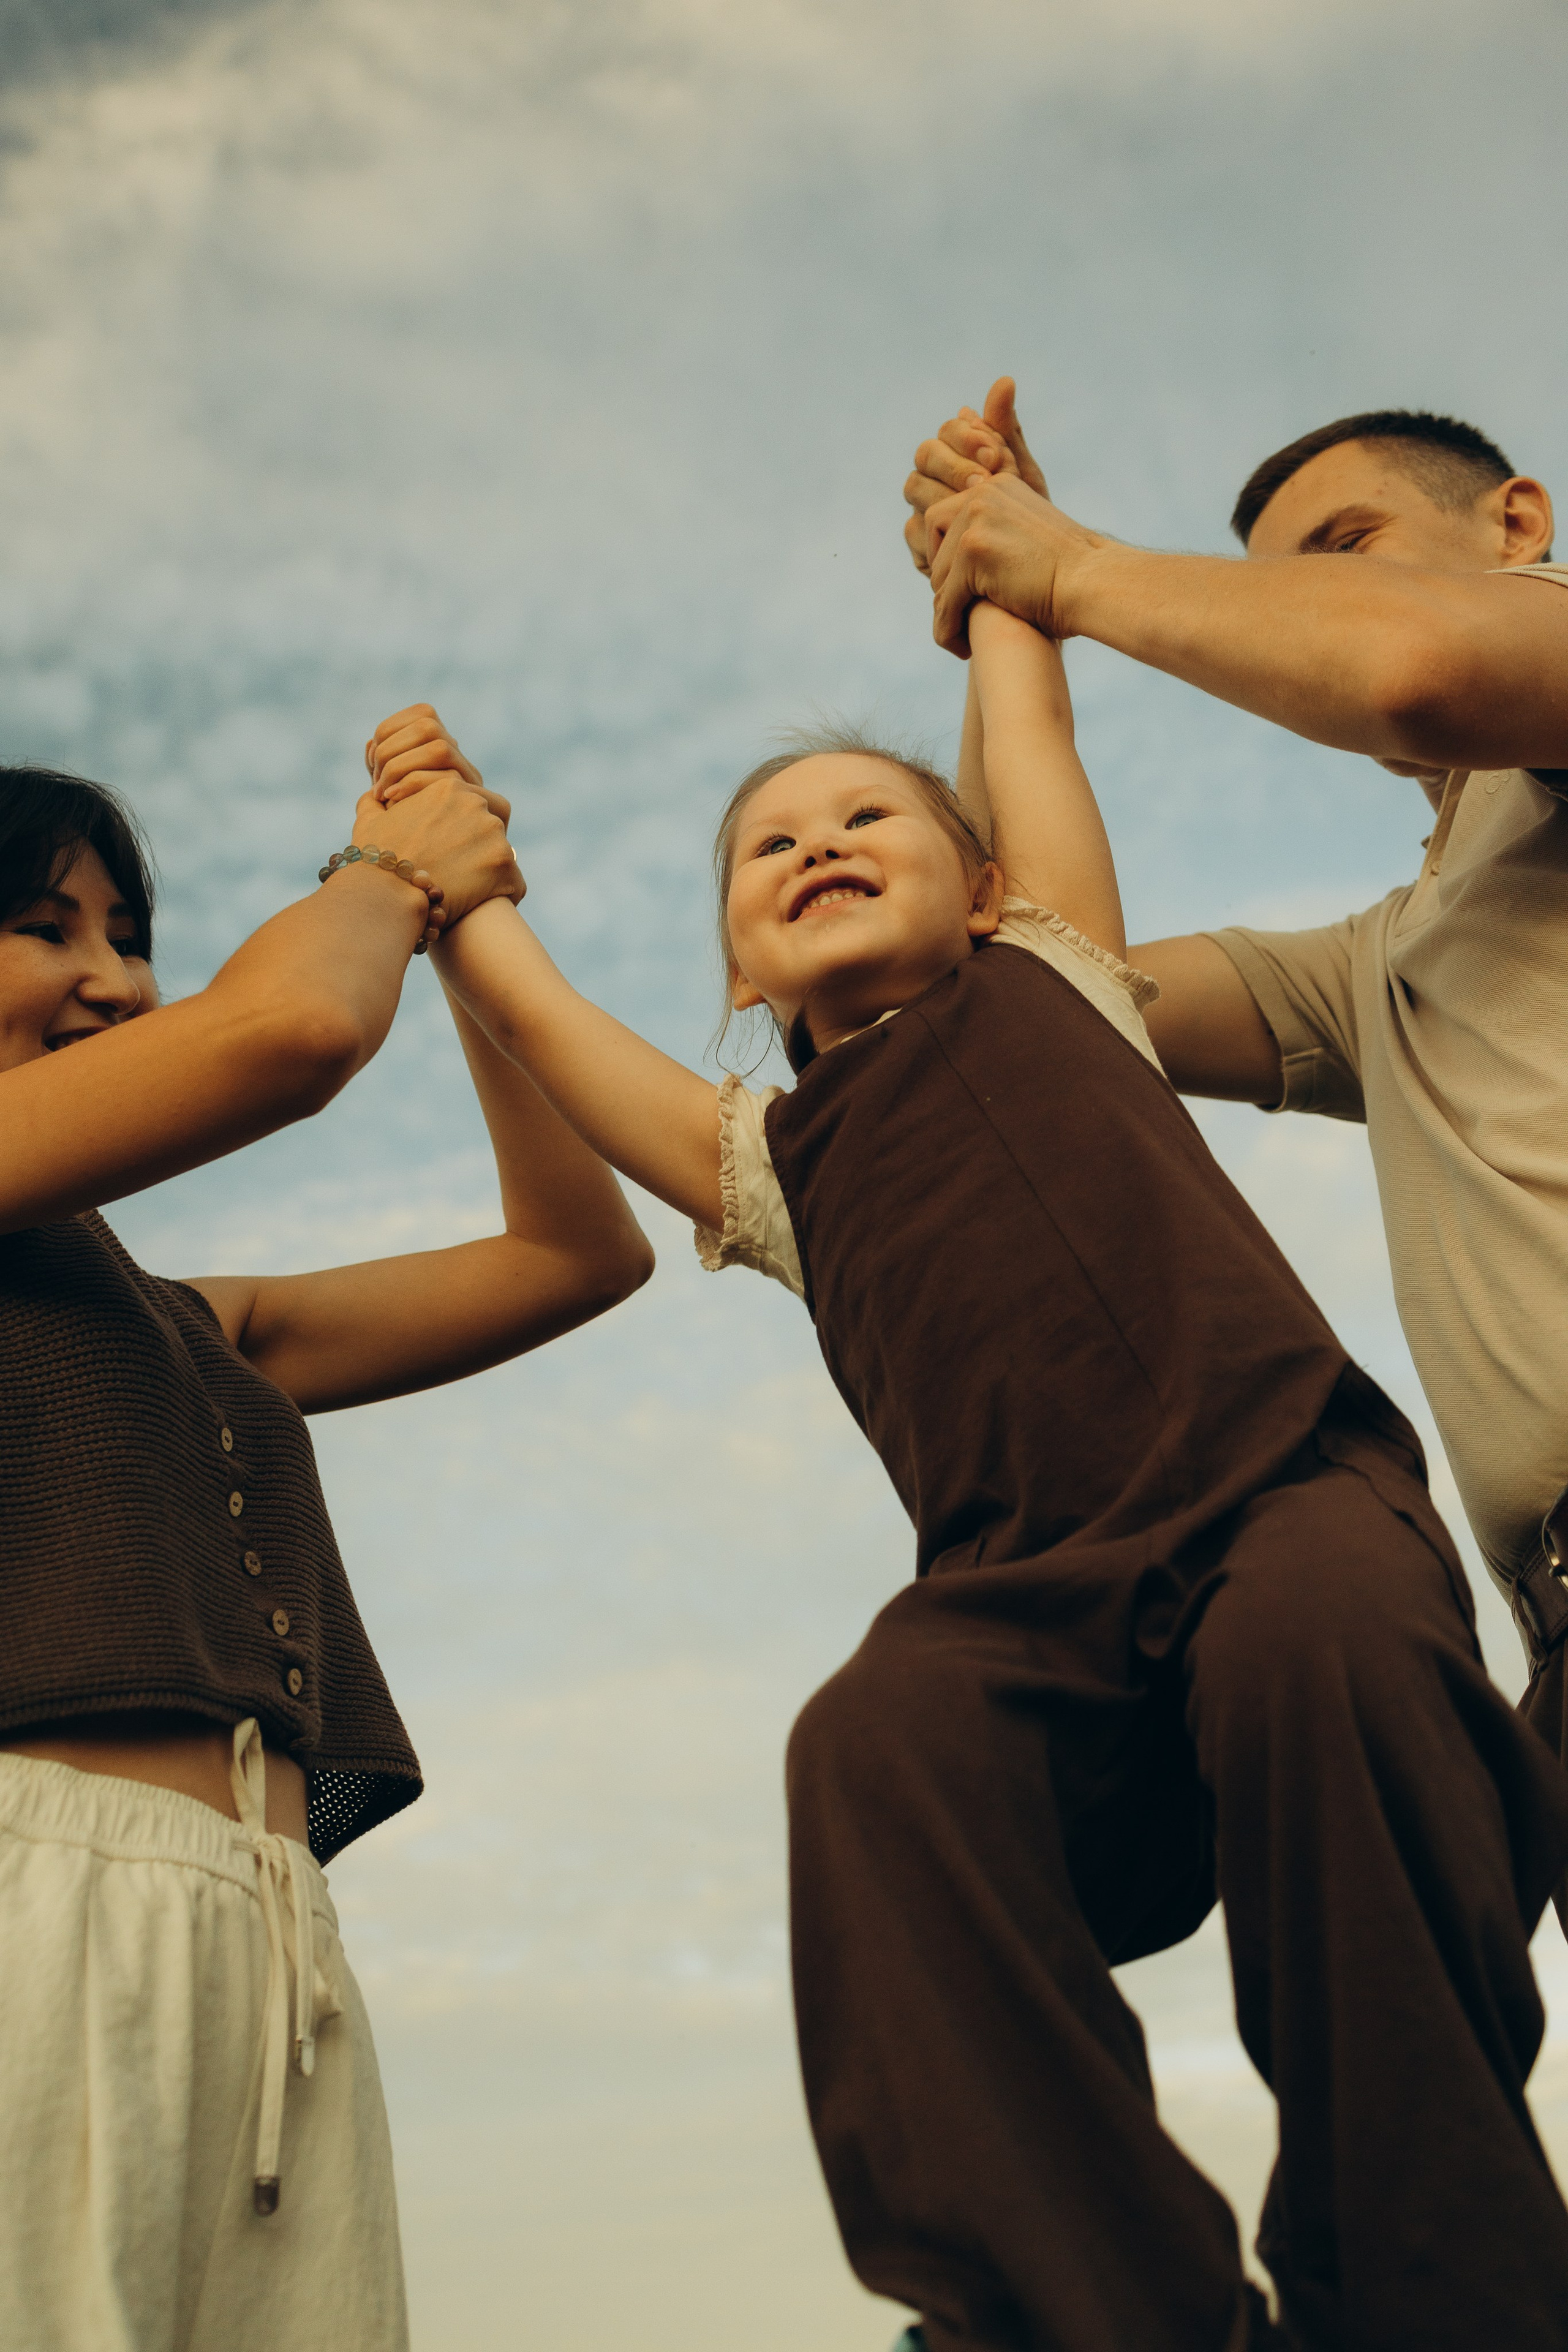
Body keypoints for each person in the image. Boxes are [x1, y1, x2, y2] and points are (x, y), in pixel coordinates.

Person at [382, 632, 1568, 2350]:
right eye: (768, 849)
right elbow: (544, 1017)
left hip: (1286, 1503)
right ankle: (1083, 2312)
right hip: (1030, 1606)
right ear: (736, 972)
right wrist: (452, 869)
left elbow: (1027, 730)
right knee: (870, 1742)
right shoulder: (763, 1169)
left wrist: (999, 586)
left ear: (991, 889)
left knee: (1329, 1650)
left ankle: (1433, 2286)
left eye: (869, 815)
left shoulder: (1068, 980)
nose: (816, 845)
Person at [0, 707, 652, 2352]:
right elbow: (287, 1026)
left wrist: (464, 941)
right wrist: (389, 869)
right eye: (45, 926)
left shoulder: (187, 1322)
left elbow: (575, 1253)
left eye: (133, 941)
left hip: (265, 1943)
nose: (121, 983)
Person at [902, 386, 1568, 1747]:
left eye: (1343, 546)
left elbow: (1413, 671)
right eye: (1271, 588)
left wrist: (1071, 566)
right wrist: (1003, 615)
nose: (1293, 610)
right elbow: (1019, 986)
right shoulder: (1376, 963)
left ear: (1515, 525)